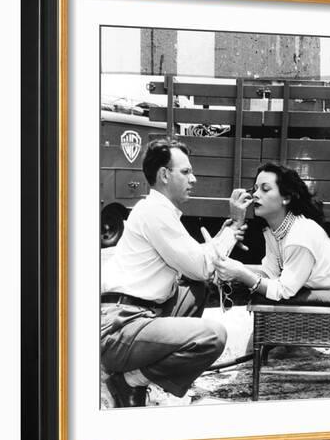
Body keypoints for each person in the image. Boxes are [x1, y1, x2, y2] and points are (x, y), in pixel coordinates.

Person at [101, 138, 250, 407]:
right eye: (186, 172)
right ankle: (130, 381)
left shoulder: (159, 210)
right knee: (212, 336)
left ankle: (145, 379)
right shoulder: (156, 212)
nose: (193, 179)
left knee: (195, 289)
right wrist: (231, 229)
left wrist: (229, 230)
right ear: (164, 175)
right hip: (121, 327)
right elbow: (203, 266)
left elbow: (197, 261)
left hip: (138, 315)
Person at [214, 162, 330, 301]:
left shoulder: (300, 235)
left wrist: (240, 272)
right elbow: (270, 273)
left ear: (286, 198)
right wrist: (233, 267)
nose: (255, 195)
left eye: (265, 189)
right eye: (255, 189)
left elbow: (283, 291)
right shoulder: (274, 230)